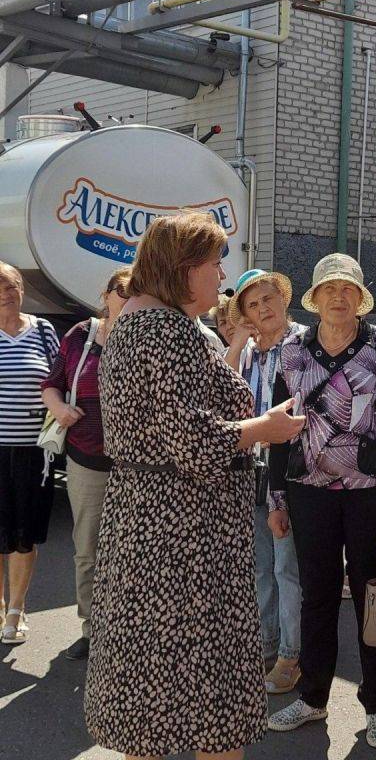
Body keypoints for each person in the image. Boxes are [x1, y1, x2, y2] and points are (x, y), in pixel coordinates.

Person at [84, 211, 305, 760]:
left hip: (153, 524)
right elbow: (193, 442)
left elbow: (192, 417)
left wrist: (254, 415)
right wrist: (264, 428)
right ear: (183, 268)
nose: (222, 273)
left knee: (152, 686)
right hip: (181, 534)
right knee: (204, 688)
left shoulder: (143, 323)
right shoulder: (162, 330)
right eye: (214, 262)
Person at [266, 253, 376, 750]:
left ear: (360, 298)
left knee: (372, 598)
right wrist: (276, 499)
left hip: (372, 494)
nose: (338, 297)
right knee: (316, 597)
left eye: (348, 289)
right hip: (309, 491)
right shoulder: (291, 350)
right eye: (329, 289)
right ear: (314, 299)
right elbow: (279, 431)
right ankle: (313, 698)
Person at [41, 267, 132, 660]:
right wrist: (59, 408)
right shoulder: (81, 334)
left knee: (131, 553)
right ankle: (91, 629)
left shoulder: (143, 338)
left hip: (134, 465)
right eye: (123, 291)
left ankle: (126, 630)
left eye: (137, 293)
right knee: (88, 549)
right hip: (86, 459)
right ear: (107, 294)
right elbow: (52, 383)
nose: (129, 299)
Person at [226, 268, 303, 694]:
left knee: (287, 568)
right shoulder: (249, 352)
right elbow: (216, 394)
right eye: (252, 305)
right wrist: (237, 343)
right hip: (248, 470)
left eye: (268, 298)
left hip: (289, 472)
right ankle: (266, 645)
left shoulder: (305, 343)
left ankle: (292, 655)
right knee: (260, 570)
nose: (263, 309)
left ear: (284, 298)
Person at [0, 261, 59, 644]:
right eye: (0, 289)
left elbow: (59, 379)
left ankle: (16, 610)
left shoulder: (43, 331)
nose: (6, 295)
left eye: (12, 287)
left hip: (33, 452)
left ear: (23, 290)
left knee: (25, 533)